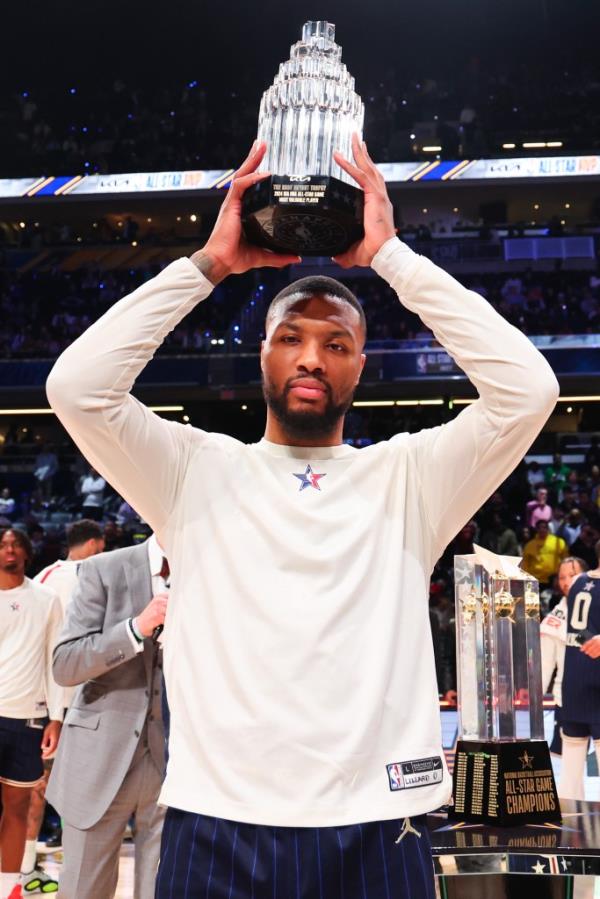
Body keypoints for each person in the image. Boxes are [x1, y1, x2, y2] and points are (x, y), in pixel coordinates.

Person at [46, 137, 558, 898]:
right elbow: (78, 386)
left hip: (385, 820)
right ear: (263, 356)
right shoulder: (194, 468)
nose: (312, 356)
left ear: (361, 365)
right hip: (218, 820)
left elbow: (528, 389)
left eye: (336, 343)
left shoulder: (410, 475)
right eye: (291, 337)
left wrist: (391, 256)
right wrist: (210, 264)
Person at [46, 534, 168, 899]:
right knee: (84, 890)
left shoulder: (212, 572)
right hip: (98, 757)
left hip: (178, 764)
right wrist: (135, 628)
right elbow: (65, 665)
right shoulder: (104, 568)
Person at [20, 520, 106, 871]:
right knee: (82, 788)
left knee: (36, 787)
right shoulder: (102, 573)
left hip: (46, 695)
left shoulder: (44, 576)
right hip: (86, 697)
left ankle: (22, 871)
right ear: (95, 544)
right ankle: (75, 867)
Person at [0, 528, 64, 899]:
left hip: (27, 718)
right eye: (3, 545)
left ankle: (9, 887)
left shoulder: (47, 598)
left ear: (26, 553)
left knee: (18, 807)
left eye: (15, 544)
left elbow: (54, 659)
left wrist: (55, 717)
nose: (9, 550)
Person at [559, 541, 600, 799]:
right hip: (597, 677)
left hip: (573, 678)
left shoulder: (577, 583)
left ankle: (568, 833)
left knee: (570, 773)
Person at [540, 557, 587, 757]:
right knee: (570, 763)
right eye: (561, 577)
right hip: (567, 699)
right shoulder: (554, 620)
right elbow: (544, 665)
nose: (566, 582)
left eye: (572, 575)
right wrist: (531, 698)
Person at [522, 520, 568, 588]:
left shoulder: (559, 542)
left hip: (554, 579)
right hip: (535, 580)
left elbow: (566, 560)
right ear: (536, 529)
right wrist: (526, 578)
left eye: (544, 527)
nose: (542, 530)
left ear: (548, 529)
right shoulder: (529, 545)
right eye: (539, 528)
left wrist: (562, 576)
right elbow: (525, 564)